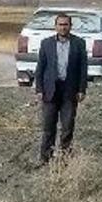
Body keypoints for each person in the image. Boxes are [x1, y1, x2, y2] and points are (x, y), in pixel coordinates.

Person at [34, 13, 88, 165]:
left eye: (66, 24)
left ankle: (64, 159)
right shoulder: (46, 44)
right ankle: (45, 159)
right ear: (55, 26)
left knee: (67, 127)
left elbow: (83, 68)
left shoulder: (79, 43)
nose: (63, 27)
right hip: (50, 90)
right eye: (60, 24)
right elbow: (40, 68)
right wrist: (39, 89)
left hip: (69, 91)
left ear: (70, 26)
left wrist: (82, 89)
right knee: (48, 127)